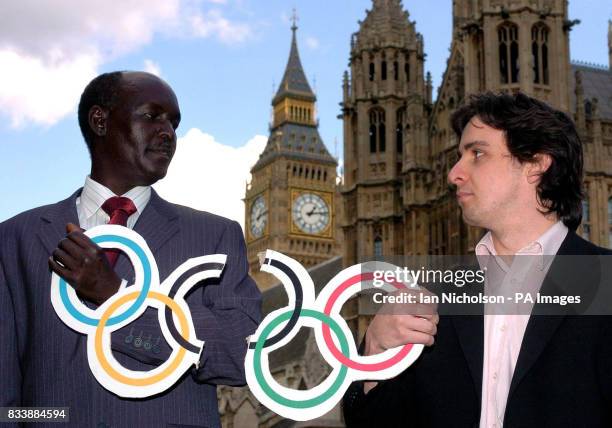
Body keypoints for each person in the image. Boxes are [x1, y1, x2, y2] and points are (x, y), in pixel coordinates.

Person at [0, 71, 262, 428]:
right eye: (152, 116)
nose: (168, 132)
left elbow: (240, 355)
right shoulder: (16, 238)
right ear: (100, 121)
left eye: (174, 122)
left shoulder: (215, 237)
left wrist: (116, 299)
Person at [343, 92, 612, 427]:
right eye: (459, 156)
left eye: (477, 154)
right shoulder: (437, 297)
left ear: (536, 164)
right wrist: (375, 350)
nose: (454, 173)